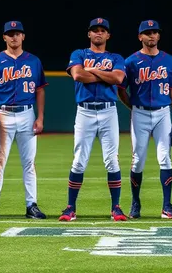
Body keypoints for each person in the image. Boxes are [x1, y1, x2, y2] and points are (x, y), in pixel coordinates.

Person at [58, 18, 127, 222]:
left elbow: (118, 79)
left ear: (108, 35)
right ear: (89, 34)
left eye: (102, 30)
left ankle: (116, 207)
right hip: (85, 112)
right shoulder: (79, 54)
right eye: (94, 30)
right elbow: (78, 75)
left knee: (112, 160)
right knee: (79, 160)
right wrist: (106, 75)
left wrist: (94, 71)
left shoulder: (115, 57)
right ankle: (70, 207)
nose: (98, 33)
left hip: (108, 111)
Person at [0, 20, 47, 220]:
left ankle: (31, 205)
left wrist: (40, 117)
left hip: (27, 113)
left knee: (29, 162)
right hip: (3, 114)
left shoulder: (33, 61)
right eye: (10, 33)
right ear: (4, 37)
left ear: (23, 36)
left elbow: (40, 90)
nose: (14, 37)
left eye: (17, 33)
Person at [117, 20, 172, 219]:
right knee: (138, 161)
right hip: (140, 113)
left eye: (154, 32)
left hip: (164, 113)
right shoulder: (130, 61)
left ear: (159, 36)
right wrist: (132, 107)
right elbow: (121, 89)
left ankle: (167, 205)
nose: (151, 36)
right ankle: (135, 203)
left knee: (165, 157)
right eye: (147, 33)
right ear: (140, 37)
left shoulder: (169, 60)